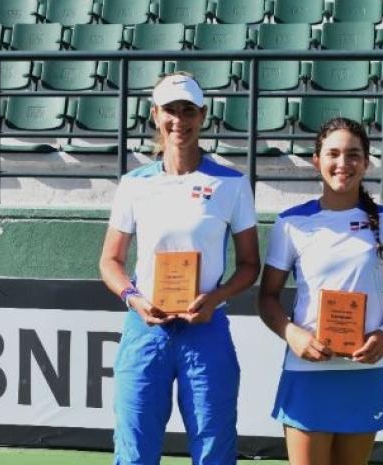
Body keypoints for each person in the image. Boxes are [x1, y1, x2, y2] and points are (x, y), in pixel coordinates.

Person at [98, 72, 261, 465]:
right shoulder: (134, 183)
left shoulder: (232, 184)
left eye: (188, 110)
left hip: (205, 328)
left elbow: (250, 264)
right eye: (170, 110)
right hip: (145, 330)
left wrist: (216, 298)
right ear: (155, 115)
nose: (179, 120)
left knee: (213, 447)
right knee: (134, 449)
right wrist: (134, 298)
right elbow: (110, 261)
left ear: (203, 116)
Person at [257, 118, 383, 465]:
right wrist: (292, 333)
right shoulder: (292, 222)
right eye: (333, 154)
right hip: (307, 369)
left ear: (367, 162)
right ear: (316, 161)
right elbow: (267, 297)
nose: (343, 164)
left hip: (363, 370)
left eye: (353, 155)